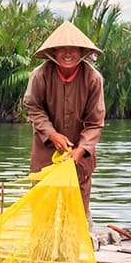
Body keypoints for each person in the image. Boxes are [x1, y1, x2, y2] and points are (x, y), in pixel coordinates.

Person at [23, 21, 105, 226]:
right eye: (62, 49)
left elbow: (95, 123)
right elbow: (34, 108)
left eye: (73, 49)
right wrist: (52, 134)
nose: (68, 54)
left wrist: (80, 150)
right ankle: (41, 254)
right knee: (42, 213)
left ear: (81, 52)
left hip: (80, 159)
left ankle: (78, 252)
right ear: (54, 52)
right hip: (45, 154)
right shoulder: (40, 76)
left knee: (77, 214)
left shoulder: (93, 79)